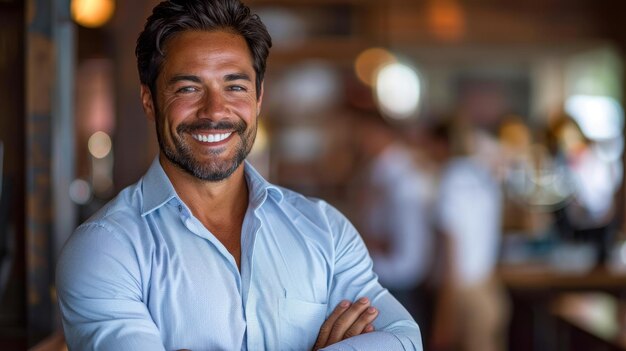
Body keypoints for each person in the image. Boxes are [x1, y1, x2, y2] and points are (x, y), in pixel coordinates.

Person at [55, 1, 422, 350]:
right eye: (188, 87)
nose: (215, 110)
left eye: (235, 87)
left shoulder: (324, 229)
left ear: (258, 97)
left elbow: (405, 339)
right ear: (149, 100)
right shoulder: (105, 249)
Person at [428, 118, 509, 351]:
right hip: (490, 286)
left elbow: (453, 254)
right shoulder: (482, 175)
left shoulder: (451, 180)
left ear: (441, 144)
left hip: (463, 296)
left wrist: (443, 319)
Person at [352, 112, 434, 331]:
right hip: (386, 270)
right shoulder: (379, 168)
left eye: (366, 133)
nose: (361, 139)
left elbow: (406, 233)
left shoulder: (401, 174)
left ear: (383, 133)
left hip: (399, 275)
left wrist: (364, 242)